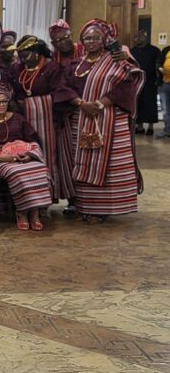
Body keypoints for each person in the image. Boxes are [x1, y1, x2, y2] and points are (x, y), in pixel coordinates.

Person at [63, 20, 144, 223]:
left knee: (108, 165)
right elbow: (64, 88)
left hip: (110, 121)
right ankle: (85, 208)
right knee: (83, 163)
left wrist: (98, 104)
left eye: (96, 38)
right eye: (87, 38)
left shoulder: (116, 61)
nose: (91, 41)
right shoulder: (74, 64)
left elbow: (125, 87)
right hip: (81, 119)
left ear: (104, 40)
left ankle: (102, 210)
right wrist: (82, 104)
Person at [0, 82, 51, 231]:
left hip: (22, 156)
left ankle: (34, 212)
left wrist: (29, 155)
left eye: (4, 101)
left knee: (40, 169)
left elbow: (32, 139)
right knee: (17, 173)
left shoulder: (18, 118)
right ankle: (22, 211)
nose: (1, 104)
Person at [11, 35, 78, 205]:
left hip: (51, 122)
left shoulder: (52, 68)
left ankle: (60, 196)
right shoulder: (19, 69)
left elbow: (59, 92)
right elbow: (14, 90)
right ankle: (36, 200)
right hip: (25, 122)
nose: (23, 59)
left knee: (58, 159)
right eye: (21, 56)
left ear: (37, 53)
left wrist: (31, 103)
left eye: (26, 55)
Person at [129, 30, 160, 135]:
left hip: (150, 82)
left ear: (145, 38)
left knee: (150, 103)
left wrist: (158, 79)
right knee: (138, 103)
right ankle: (139, 127)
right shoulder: (131, 51)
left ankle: (150, 127)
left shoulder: (154, 50)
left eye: (140, 36)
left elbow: (158, 65)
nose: (137, 38)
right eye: (135, 37)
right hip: (136, 82)